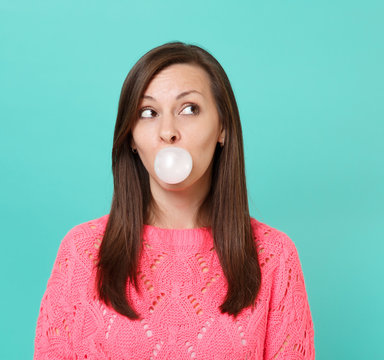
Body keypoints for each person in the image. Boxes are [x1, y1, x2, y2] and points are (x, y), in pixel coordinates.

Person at [33, 42, 315, 359]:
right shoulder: (83, 252)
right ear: (132, 138)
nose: (168, 131)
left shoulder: (274, 257)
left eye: (189, 109)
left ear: (222, 127)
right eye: (148, 113)